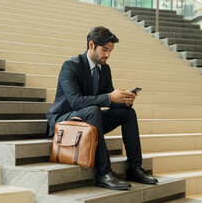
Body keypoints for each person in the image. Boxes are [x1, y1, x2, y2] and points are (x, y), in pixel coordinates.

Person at [46, 26, 158, 190]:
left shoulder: (104, 69)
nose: (108, 55)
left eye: (111, 50)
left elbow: (108, 99)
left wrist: (124, 100)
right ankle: (104, 173)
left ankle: (134, 168)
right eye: (105, 50)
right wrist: (109, 98)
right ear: (91, 45)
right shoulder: (70, 66)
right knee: (93, 110)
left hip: (89, 121)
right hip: (64, 121)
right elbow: (77, 102)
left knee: (127, 113)